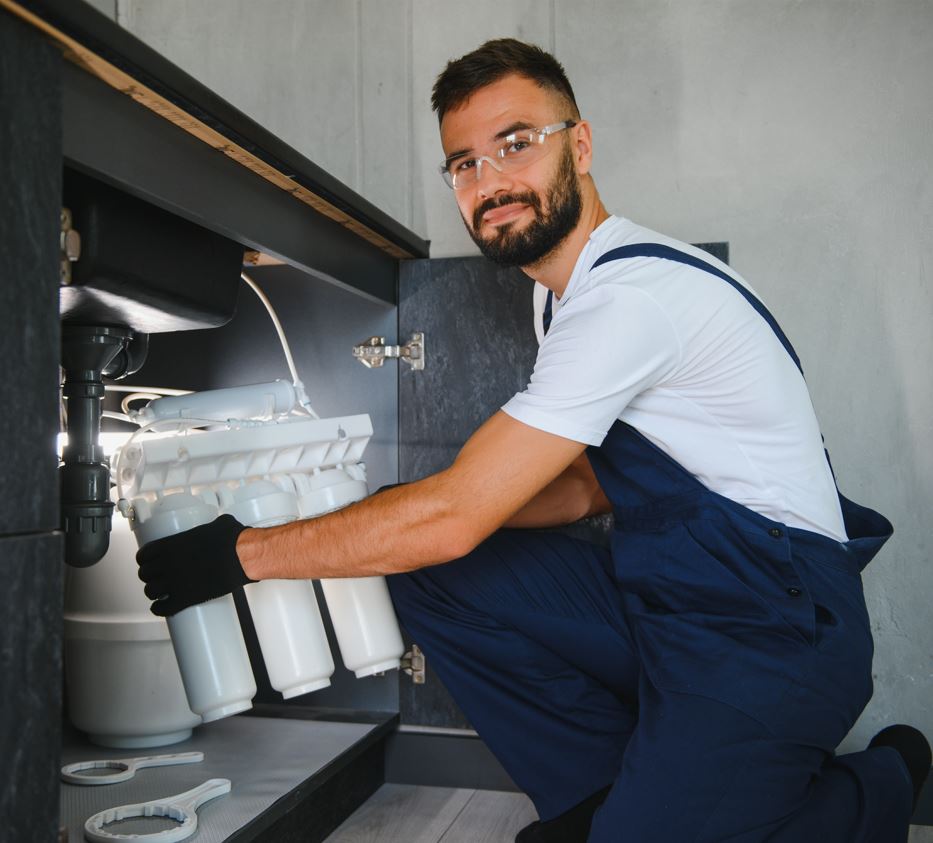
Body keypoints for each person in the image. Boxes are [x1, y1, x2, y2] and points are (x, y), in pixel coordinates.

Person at [138, 38, 929, 842]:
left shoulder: (628, 300)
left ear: (578, 145)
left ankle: (882, 780)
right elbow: (586, 485)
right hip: (675, 600)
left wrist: (241, 552)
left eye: (515, 144)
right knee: (431, 569)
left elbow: (453, 515)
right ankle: (600, 795)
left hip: (774, 627)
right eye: (465, 164)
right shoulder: (558, 301)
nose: (489, 182)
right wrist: (393, 520)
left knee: (433, 539)